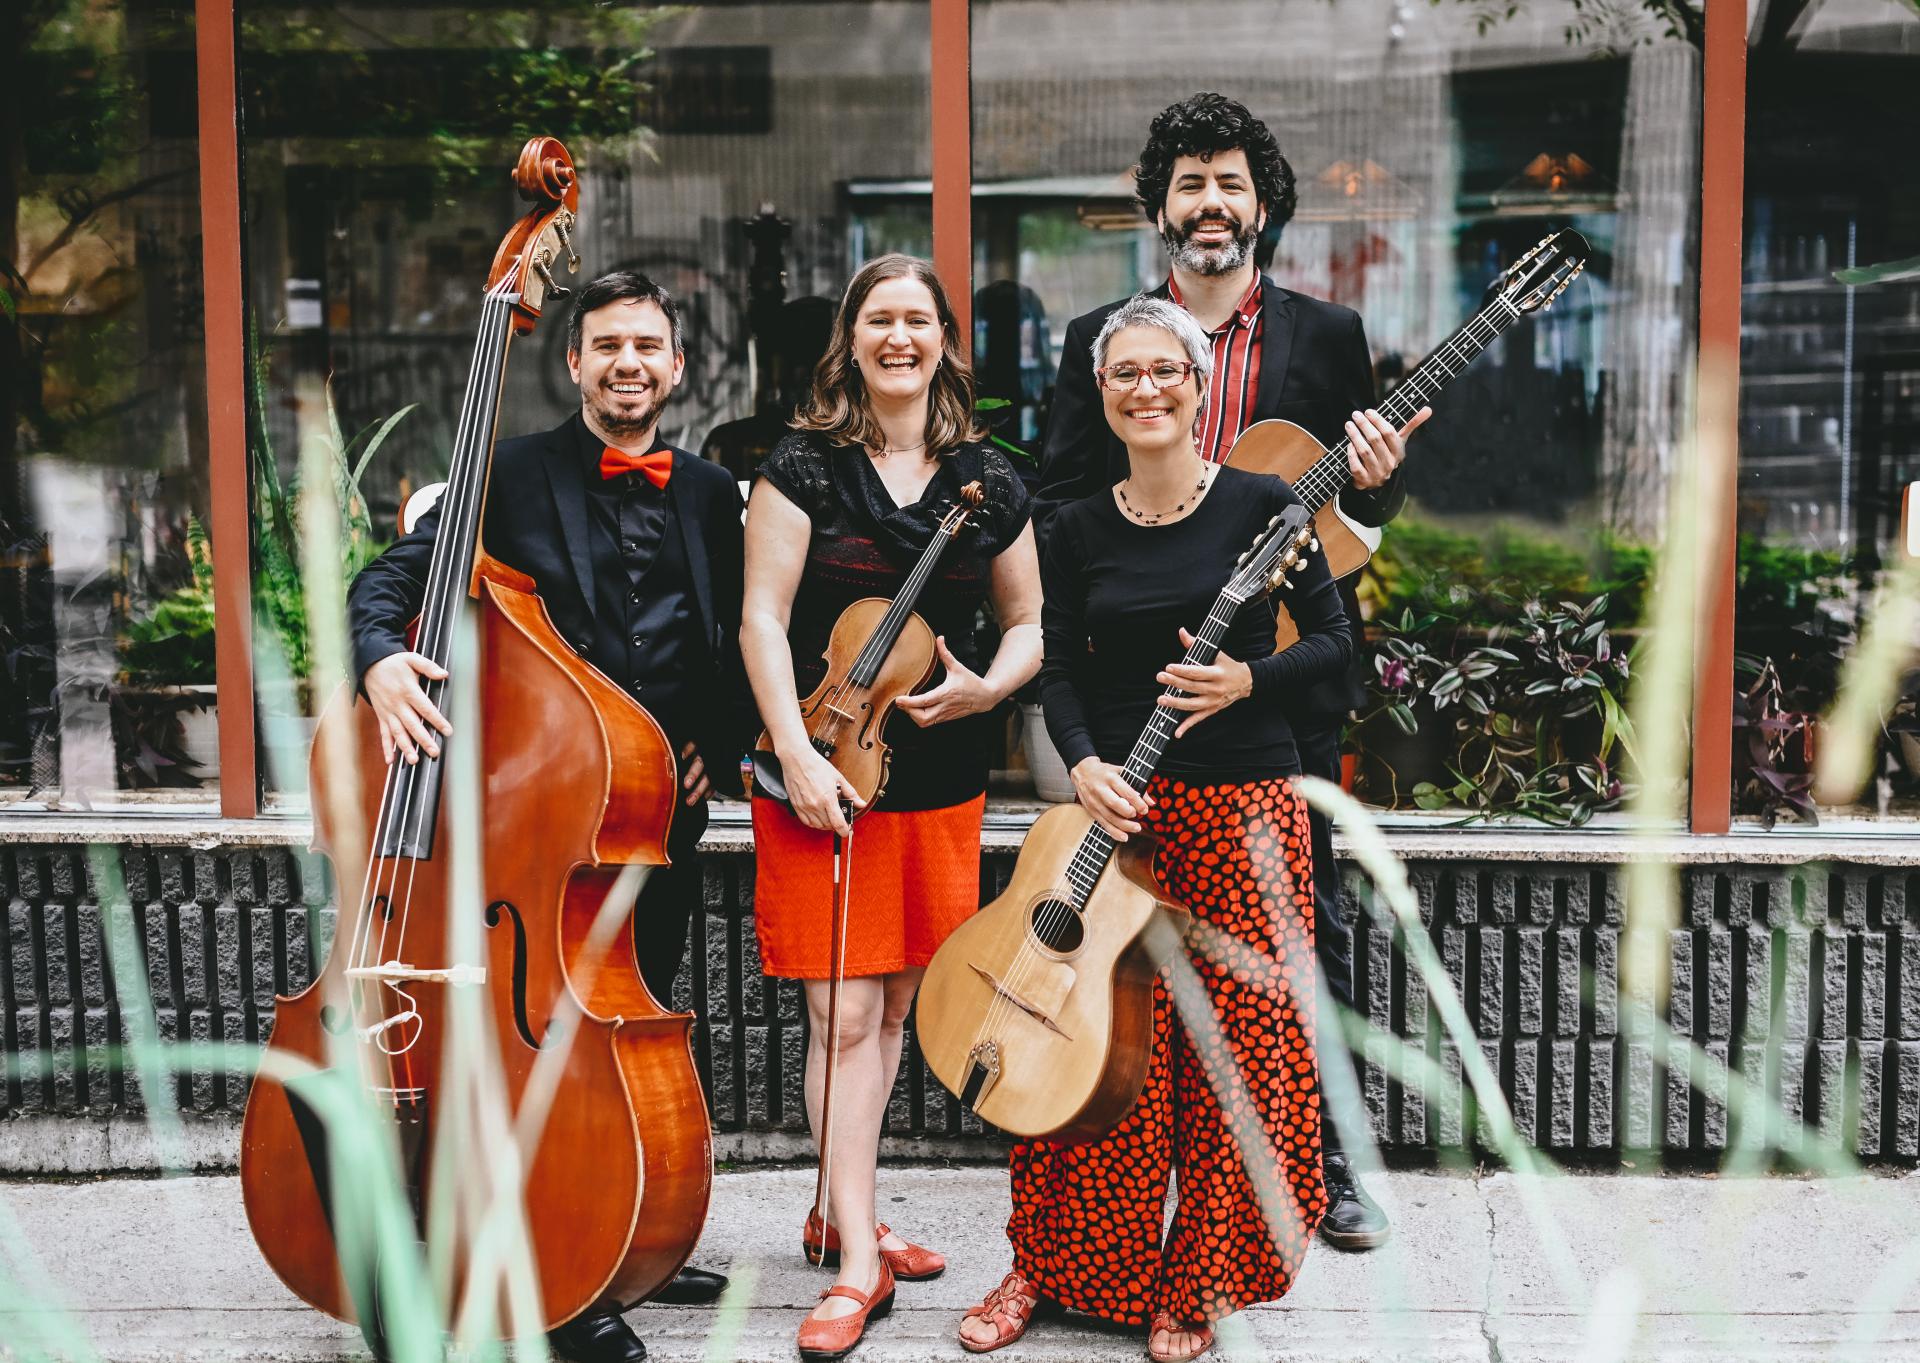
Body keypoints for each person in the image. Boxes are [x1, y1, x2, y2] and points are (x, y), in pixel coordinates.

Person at [1032, 92, 1429, 1251]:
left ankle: (1328, 1166)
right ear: (1160, 205)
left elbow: (1359, 511)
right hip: (1136, 686)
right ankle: (1124, 1159)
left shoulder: (1327, 335)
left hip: (1280, 680)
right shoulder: (1102, 341)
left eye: (1232, 182)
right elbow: (1059, 493)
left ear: (1264, 205)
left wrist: (1379, 473)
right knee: (1132, 928)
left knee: (1316, 925)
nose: (1212, 203)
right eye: (1191, 182)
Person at [346, 270, 749, 1363]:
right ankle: (562, 1279)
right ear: (572, 363)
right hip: (536, 824)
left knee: (632, 1035)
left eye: (647, 346)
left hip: (653, 817)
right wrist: (381, 661)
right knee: (548, 1048)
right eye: (607, 345)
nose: (628, 364)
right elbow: (395, 581)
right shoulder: (507, 472)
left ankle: (627, 1230)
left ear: (675, 366)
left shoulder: (713, 491)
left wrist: (729, 739)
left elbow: (739, 637)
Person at [957, 295, 1352, 1362]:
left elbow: (1335, 645)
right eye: (1124, 373)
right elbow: (1066, 669)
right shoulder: (1073, 523)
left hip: (1244, 811)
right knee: (1087, 1052)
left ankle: (1199, 1282)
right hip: (1120, 817)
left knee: (1241, 1058)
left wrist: (1245, 679)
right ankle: (1051, 1263)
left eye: (1164, 370)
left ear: (1196, 382)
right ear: (1104, 392)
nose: (1146, 389)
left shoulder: (1268, 506)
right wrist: (1081, 764)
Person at [740, 253, 1043, 1361]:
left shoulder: (992, 480)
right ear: (852, 339)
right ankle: (859, 1263)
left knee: (899, 1006)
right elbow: (762, 626)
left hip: (933, 780)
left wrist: (990, 687)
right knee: (844, 1015)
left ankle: (837, 1205)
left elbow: (1028, 626)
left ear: (942, 340)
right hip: (819, 768)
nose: (900, 336)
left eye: (918, 319)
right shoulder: (803, 468)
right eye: (881, 319)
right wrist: (794, 753)